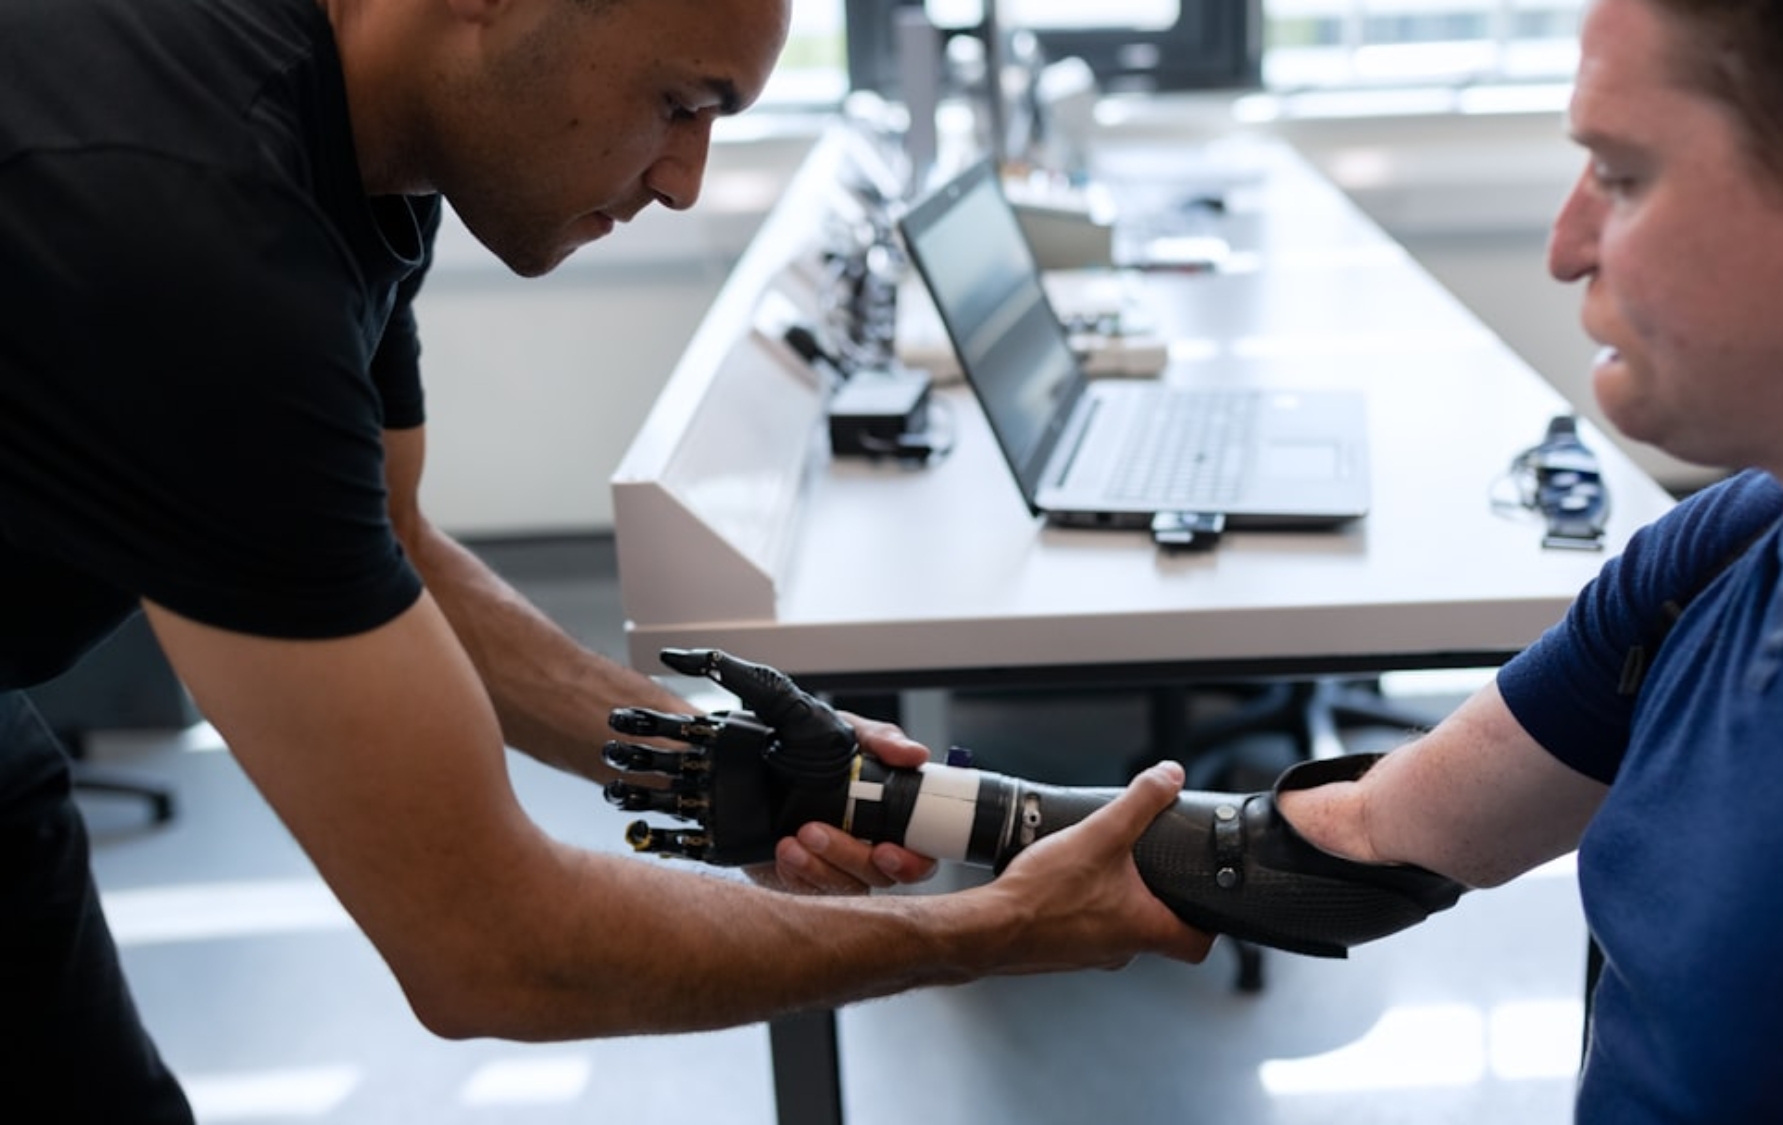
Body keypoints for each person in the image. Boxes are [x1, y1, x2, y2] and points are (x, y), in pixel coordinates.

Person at [0, 0, 1211, 1118]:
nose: (685, 183)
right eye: (679, 105)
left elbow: (396, 542)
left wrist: (719, 767)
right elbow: (486, 947)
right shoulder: (192, 228)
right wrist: (991, 931)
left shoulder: (361, 128)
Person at [1274, 0, 1783, 1118]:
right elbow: (1366, 836)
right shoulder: (1735, 540)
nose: (1565, 248)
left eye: (1617, 177)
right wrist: (936, 818)